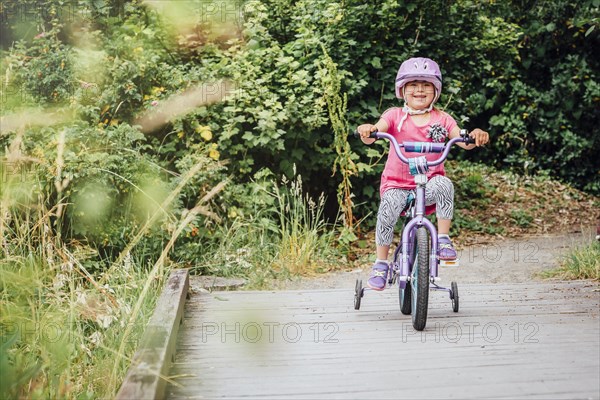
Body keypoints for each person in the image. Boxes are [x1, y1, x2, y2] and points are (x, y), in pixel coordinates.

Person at [357, 57, 490, 291]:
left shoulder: (442, 119)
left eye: (426, 84)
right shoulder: (394, 116)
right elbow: (376, 132)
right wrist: (368, 131)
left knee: (445, 185)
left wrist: (474, 136)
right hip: (397, 185)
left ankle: (443, 239)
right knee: (387, 209)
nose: (420, 89)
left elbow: (461, 138)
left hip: (427, 186)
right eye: (413, 84)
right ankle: (380, 263)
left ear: (435, 90)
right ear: (403, 89)